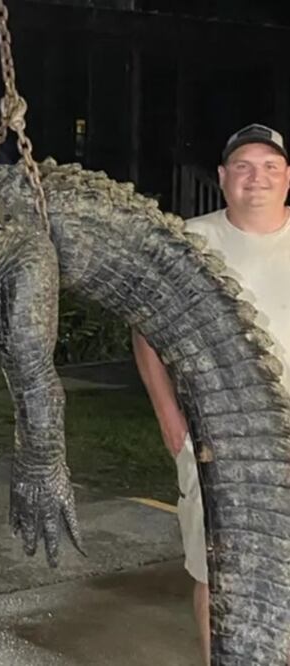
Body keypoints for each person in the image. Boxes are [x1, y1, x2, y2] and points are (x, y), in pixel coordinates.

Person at [133, 122, 290, 665]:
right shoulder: (191, 243)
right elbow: (146, 330)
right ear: (222, 178)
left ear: (288, 177)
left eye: (270, 166)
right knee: (216, 569)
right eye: (243, 167)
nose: (257, 178)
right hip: (214, 440)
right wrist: (170, 420)